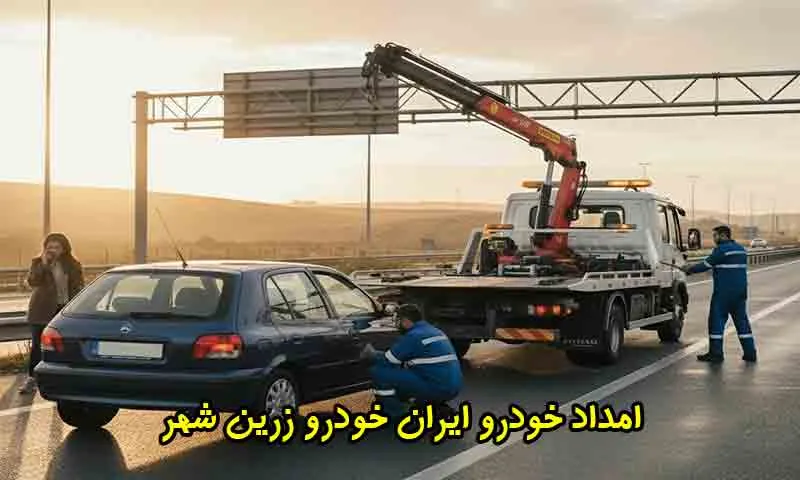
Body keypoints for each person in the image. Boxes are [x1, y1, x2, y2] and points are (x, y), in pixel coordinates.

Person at [361, 304, 463, 419]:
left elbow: (388, 361)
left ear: (406, 321)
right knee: (404, 372)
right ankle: (434, 406)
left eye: (398, 321)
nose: (397, 325)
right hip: (453, 387)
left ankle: (395, 415)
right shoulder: (435, 331)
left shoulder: (414, 336)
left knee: (379, 373)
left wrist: (372, 354)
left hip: (436, 387)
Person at [19, 233, 84, 394]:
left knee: (64, 346)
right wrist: (44, 264)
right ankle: (32, 379)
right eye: (49, 247)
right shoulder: (38, 263)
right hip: (41, 310)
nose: (53, 250)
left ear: (64, 248)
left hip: (64, 310)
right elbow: (33, 281)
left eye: (56, 247)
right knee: (37, 346)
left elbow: (79, 286)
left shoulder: (72, 264)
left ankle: (62, 378)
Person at [683, 225, 756, 363]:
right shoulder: (741, 249)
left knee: (716, 321)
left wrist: (689, 269)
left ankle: (716, 354)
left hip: (723, 293)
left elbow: (706, 264)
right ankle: (750, 353)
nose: (714, 239)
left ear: (723, 235)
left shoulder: (721, 250)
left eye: (715, 235)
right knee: (742, 322)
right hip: (740, 293)